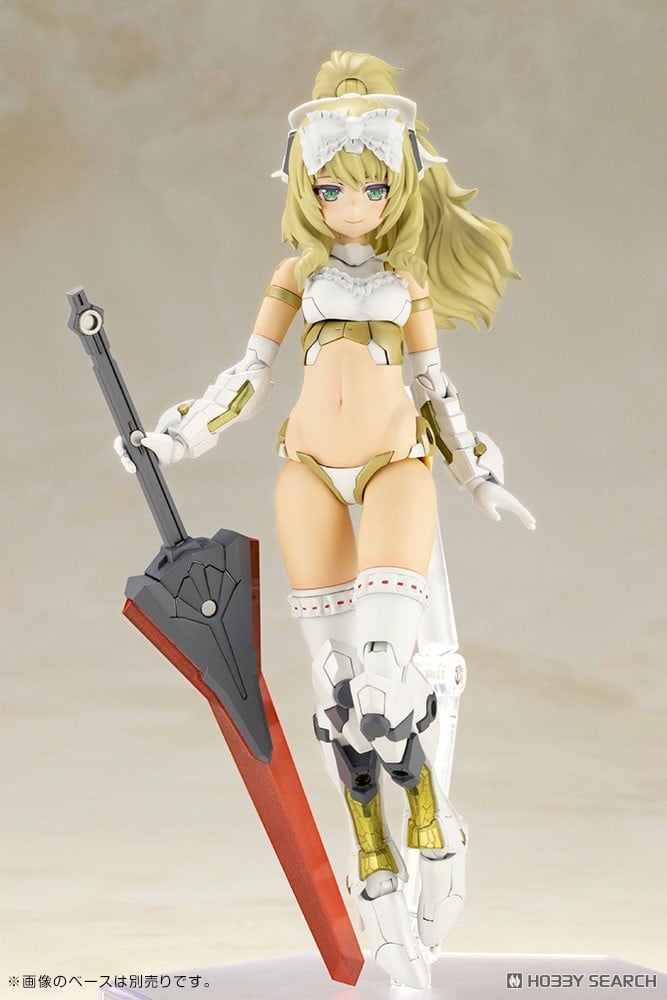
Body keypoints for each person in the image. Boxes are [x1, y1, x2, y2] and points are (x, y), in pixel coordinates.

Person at [120, 50, 535, 989]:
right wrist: (174, 439)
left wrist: (475, 474)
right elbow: (249, 376)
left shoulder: (407, 283)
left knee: (387, 681)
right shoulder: (295, 277)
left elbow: (433, 389)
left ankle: (433, 826)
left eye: (372, 187)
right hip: (307, 470)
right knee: (339, 697)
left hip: (394, 467)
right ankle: (377, 888)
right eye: (332, 187)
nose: (352, 204)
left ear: (399, 187)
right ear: (306, 188)